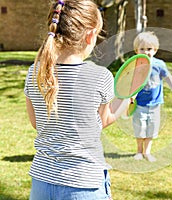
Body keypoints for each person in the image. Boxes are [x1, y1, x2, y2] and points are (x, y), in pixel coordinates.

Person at [24, 0, 128, 199]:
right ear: (90, 35)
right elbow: (104, 119)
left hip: (42, 184)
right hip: (84, 184)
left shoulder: (34, 73)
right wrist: (126, 99)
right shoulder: (101, 76)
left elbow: (37, 122)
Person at [132, 31, 172, 162]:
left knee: (151, 128)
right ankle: (139, 151)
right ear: (136, 50)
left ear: (155, 50)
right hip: (140, 104)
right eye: (142, 49)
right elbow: (134, 83)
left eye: (149, 49)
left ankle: (147, 152)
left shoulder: (159, 64)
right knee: (140, 128)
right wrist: (131, 96)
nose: (146, 52)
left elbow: (168, 77)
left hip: (155, 103)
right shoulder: (136, 64)